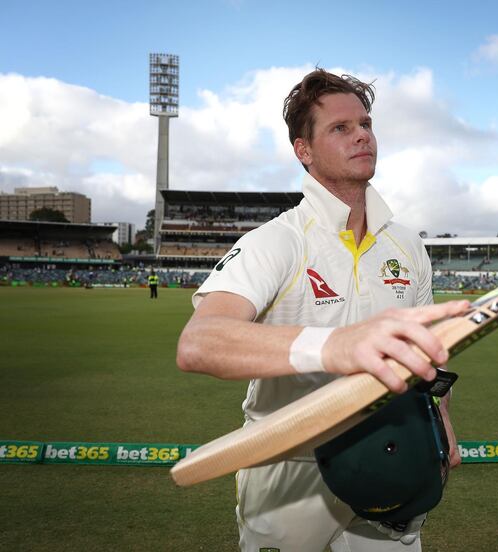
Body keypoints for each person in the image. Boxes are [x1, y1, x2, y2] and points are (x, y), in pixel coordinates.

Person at [176, 68, 468, 551]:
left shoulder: (408, 244)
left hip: (393, 455)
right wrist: (333, 346)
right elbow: (199, 343)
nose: (362, 136)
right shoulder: (276, 240)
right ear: (303, 151)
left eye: (366, 124)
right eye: (340, 128)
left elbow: (429, 356)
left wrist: (442, 420)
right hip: (290, 466)